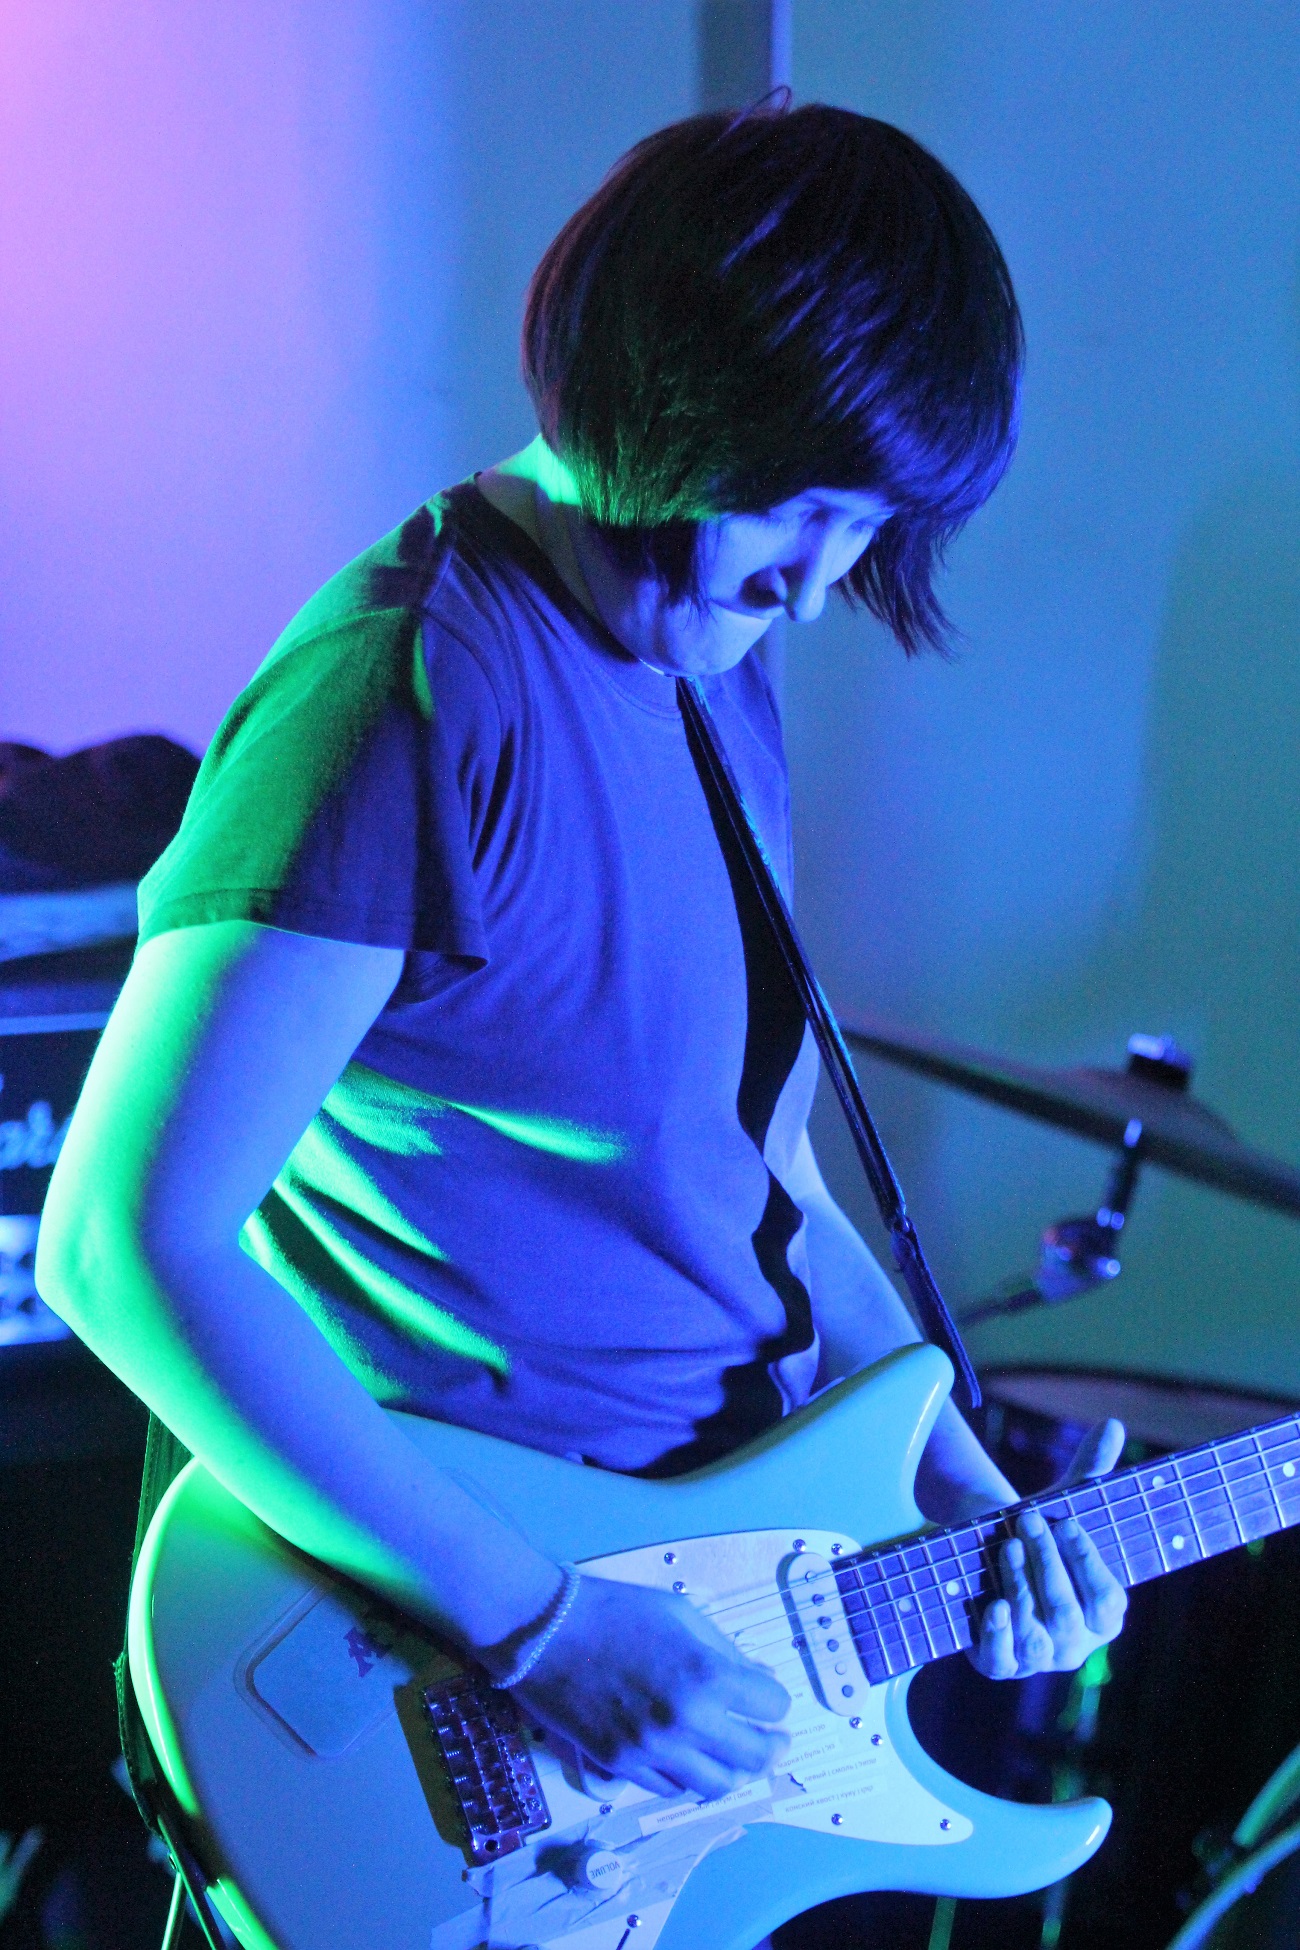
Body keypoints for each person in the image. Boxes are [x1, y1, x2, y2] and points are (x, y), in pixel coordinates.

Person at [37, 102, 1125, 1838]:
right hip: (469, 1680)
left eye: (872, 528)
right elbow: (118, 1243)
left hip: (703, 1620)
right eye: (813, 505)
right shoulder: (405, 689)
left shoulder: (708, 665)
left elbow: (750, 1183)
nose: (827, 585)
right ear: (685, 397)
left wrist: (958, 1485)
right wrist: (537, 1621)